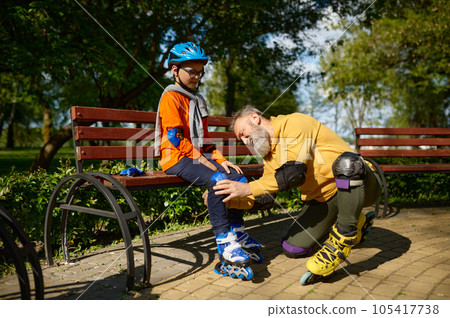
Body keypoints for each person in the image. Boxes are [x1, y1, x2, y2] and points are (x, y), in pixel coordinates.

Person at [213, 105, 382, 284]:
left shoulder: (294, 123)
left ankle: (342, 239)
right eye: (241, 140)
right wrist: (226, 199)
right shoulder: (270, 156)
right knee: (292, 248)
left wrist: (246, 189)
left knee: (348, 163)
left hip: (360, 183)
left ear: (255, 118)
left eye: (244, 134)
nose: (246, 141)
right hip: (324, 200)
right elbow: (265, 198)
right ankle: (358, 225)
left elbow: (294, 174)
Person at [154, 42, 261, 279]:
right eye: (191, 71)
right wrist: (204, 161)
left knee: (236, 176)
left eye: (200, 71)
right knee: (218, 180)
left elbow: (205, 139)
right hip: (175, 158)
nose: (196, 76)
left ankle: (238, 231)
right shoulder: (171, 96)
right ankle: (224, 240)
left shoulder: (197, 99)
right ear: (175, 70)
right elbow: (174, 137)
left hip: (196, 155)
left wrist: (221, 160)